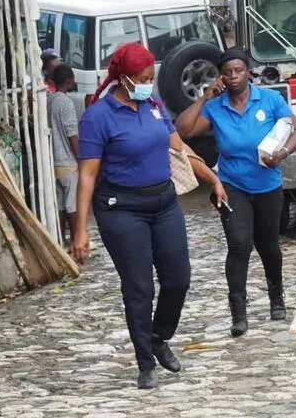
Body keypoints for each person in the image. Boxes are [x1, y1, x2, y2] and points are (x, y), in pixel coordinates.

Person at [72, 43, 228, 389]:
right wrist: (80, 229)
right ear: (123, 78)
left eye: (150, 78)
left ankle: (159, 336)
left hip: (164, 203)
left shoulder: (153, 105)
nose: (147, 84)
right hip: (121, 209)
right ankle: (145, 362)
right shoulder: (99, 116)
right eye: (142, 79)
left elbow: (180, 148)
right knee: (139, 287)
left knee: (178, 279)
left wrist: (213, 179)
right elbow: (86, 174)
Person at [175, 48, 296, 334]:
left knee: (268, 245)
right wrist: (204, 97)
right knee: (238, 244)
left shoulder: (270, 100)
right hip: (232, 185)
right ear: (221, 76)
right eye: (227, 72)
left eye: (238, 71)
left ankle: (276, 297)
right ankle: (239, 312)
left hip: (268, 185)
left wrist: (282, 153)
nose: (233, 77)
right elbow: (182, 131)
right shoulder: (216, 106)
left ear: (248, 72)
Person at [47, 64, 80, 244]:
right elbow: (72, 134)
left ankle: (61, 241)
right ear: (68, 82)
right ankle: (76, 241)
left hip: (53, 162)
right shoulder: (67, 103)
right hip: (68, 162)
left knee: (60, 204)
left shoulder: (49, 100)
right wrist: (81, 159)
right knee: (72, 205)